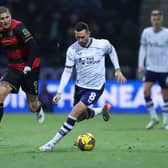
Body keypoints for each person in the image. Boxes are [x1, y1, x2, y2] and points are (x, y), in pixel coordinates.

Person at [39, 21, 126, 151]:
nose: (80, 40)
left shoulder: (102, 44)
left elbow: (112, 50)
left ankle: (51, 143)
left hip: (95, 88)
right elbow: (67, 71)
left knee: (75, 111)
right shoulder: (72, 49)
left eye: (83, 37)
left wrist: (117, 69)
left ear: (89, 34)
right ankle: (102, 109)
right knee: (79, 117)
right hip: (80, 87)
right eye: (77, 37)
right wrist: (59, 92)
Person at [0, 6, 45, 124]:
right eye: (2, 19)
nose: (5, 21)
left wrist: (28, 65)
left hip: (30, 68)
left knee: (32, 107)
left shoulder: (18, 27)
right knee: (0, 95)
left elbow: (34, 46)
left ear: (11, 16)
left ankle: (39, 108)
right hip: (14, 68)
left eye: (7, 17)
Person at [138, 9, 168, 129]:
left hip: (165, 69)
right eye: (154, 19)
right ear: (151, 19)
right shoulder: (146, 32)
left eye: (158, 19)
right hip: (151, 68)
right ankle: (154, 117)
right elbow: (143, 48)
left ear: (162, 19)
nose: (156, 21)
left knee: (165, 96)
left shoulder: (167, 33)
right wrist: (141, 64)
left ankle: (166, 122)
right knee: (145, 91)